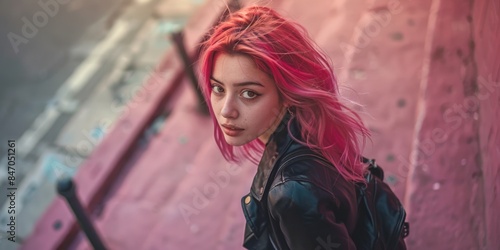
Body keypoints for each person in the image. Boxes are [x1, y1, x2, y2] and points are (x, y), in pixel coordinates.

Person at [199, 5, 372, 250]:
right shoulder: (313, 131)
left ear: (288, 92)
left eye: (249, 93)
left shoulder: (293, 196)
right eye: (218, 88)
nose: (226, 110)